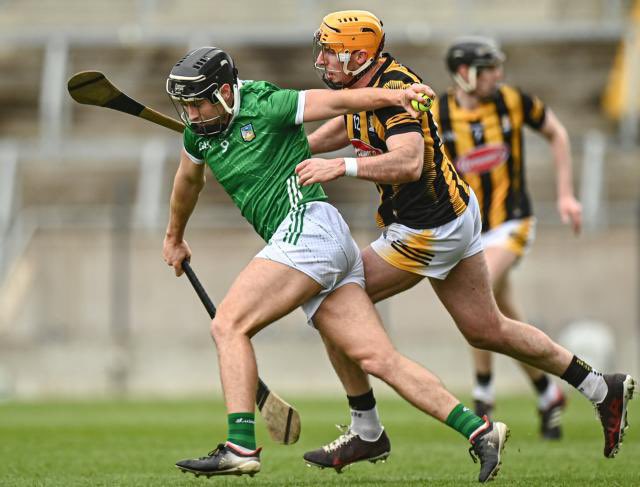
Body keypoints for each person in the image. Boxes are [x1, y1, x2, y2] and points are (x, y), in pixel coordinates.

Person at [296, 9, 635, 473]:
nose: (322, 60)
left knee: (333, 303)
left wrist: (341, 167)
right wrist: (298, 149)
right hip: (455, 216)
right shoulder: (363, 88)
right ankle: (600, 386)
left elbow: (409, 162)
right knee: (487, 328)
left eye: (330, 53)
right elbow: (349, 123)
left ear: (358, 54)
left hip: (427, 230)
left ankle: (366, 430)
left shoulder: (396, 89)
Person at [162, 45, 509, 483]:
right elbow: (186, 182)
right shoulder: (199, 133)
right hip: (326, 241)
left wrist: (395, 97)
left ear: (227, 91)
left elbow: (340, 102)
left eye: (199, 103)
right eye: (185, 106)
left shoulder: (267, 102)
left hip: (307, 228)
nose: (192, 114)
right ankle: (479, 432)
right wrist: (174, 236)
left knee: (228, 325)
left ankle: (240, 445)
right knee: (379, 358)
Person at [430, 36, 582, 438]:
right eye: (488, 69)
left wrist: (566, 194)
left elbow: (558, 134)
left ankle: (483, 395)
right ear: (464, 74)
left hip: (511, 220)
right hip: (469, 226)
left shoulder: (512, 101)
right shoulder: (438, 112)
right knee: (503, 314)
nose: (497, 75)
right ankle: (547, 392)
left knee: (476, 299)